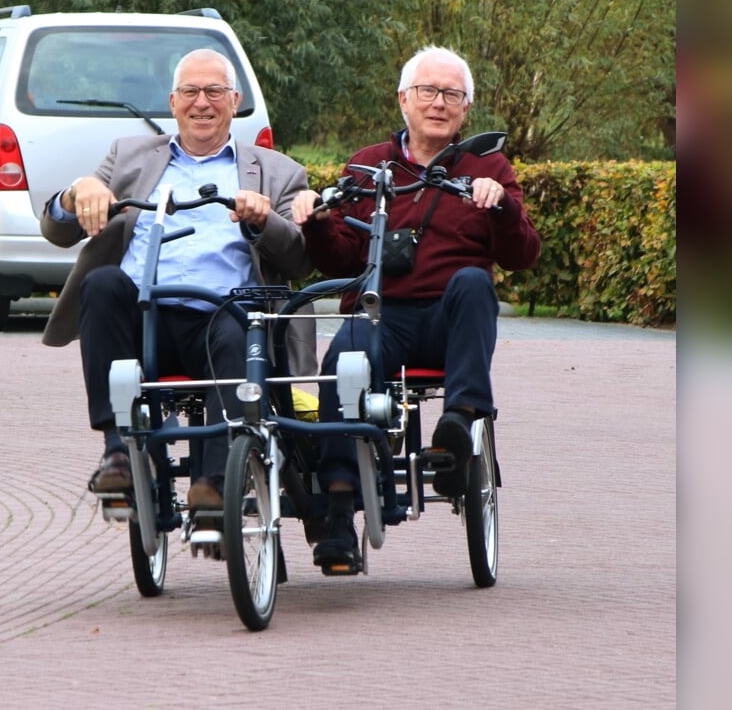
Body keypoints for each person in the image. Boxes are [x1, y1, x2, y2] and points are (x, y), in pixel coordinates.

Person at [291, 45, 541, 571]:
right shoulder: (366, 166)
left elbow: (523, 256)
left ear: (466, 108)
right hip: (385, 315)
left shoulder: (488, 165)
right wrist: (314, 223)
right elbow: (339, 254)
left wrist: (502, 207)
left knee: (476, 282)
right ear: (404, 99)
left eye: (452, 94)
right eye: (428, 91)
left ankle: (459, 421)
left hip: (452, 316)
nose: (439, 103)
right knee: (346, 356)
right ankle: (338, 510)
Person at [41, 48, 316, 515]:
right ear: (173, 102)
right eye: (190, 92)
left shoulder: (277, 170)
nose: (201, 103)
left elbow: (298, 260)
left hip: (222, 317)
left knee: (241, 325)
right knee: (103, 284)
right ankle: (119, 451)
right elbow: (59, 229)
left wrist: (261, 221)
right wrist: (75, 192)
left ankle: (213, 481)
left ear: (235, 100)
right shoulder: (127, 156)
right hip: (142, 316)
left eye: (214, 92)